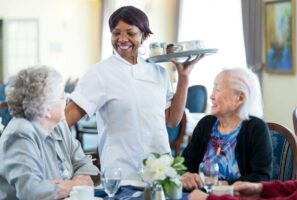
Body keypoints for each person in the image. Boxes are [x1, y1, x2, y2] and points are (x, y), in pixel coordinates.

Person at [65, 6, 203, 180]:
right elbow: (67, 119)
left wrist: (184, 77)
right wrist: (69, 159)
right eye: (116, 33)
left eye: (130, 33)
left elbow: (172, 120)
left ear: (143, 36)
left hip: (161, 171)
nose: (122, 39)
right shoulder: (99, 73)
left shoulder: (158, 72)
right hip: (121, 173)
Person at [0, 66, 99, 200]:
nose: (66, 99)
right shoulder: (19, 135)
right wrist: (76, 185)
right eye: (62, 96)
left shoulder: (58, 125)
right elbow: (32, 192)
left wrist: (68, 185)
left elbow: (84, 164)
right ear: (46, 108)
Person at [182, 67, 272, 190]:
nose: (211, 96)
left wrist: (221, 186)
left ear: (240, 98)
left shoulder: (256, 129)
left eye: (217, 89)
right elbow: (185, 163)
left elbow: (262, 178)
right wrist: (187, 175)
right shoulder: (206, 124)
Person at [189, 180, 297, 200]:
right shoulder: (206, 124)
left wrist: (210, 199)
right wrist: (259, 188)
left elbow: (259, 175)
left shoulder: (255, 128)